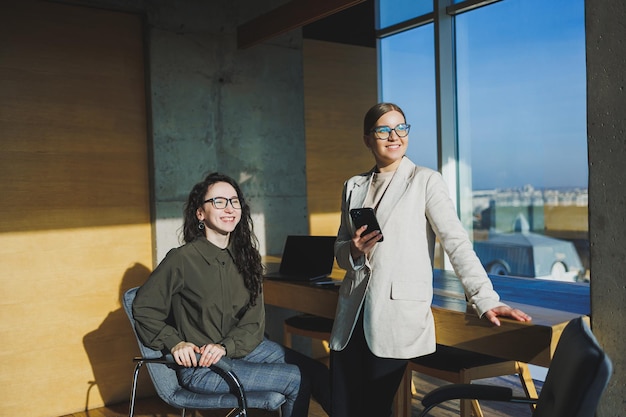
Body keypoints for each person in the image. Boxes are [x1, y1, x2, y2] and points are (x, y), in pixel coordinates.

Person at [328, 103, 532, 417]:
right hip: (350, 318)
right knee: (342, 409)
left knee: (372, 410)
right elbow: (341, 250)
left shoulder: (425, 181)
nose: (394, 136)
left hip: (394, 318)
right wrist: (354, 249)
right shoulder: (353, 186)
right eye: (384, 130)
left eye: (401, 128)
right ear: (368, 138)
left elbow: (456, 242)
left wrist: (485, 298)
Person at [132, 172, 330, 417]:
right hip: (203, 367)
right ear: (200, 213)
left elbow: (254, 322)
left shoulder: (247, 257)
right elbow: (143, 308)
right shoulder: (182, 259)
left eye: (234, 201)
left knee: (320, 373)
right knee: (295, 378)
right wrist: (175, 342)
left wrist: (226, 346)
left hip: (244, 350)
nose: (229, 208)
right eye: (218, 201)